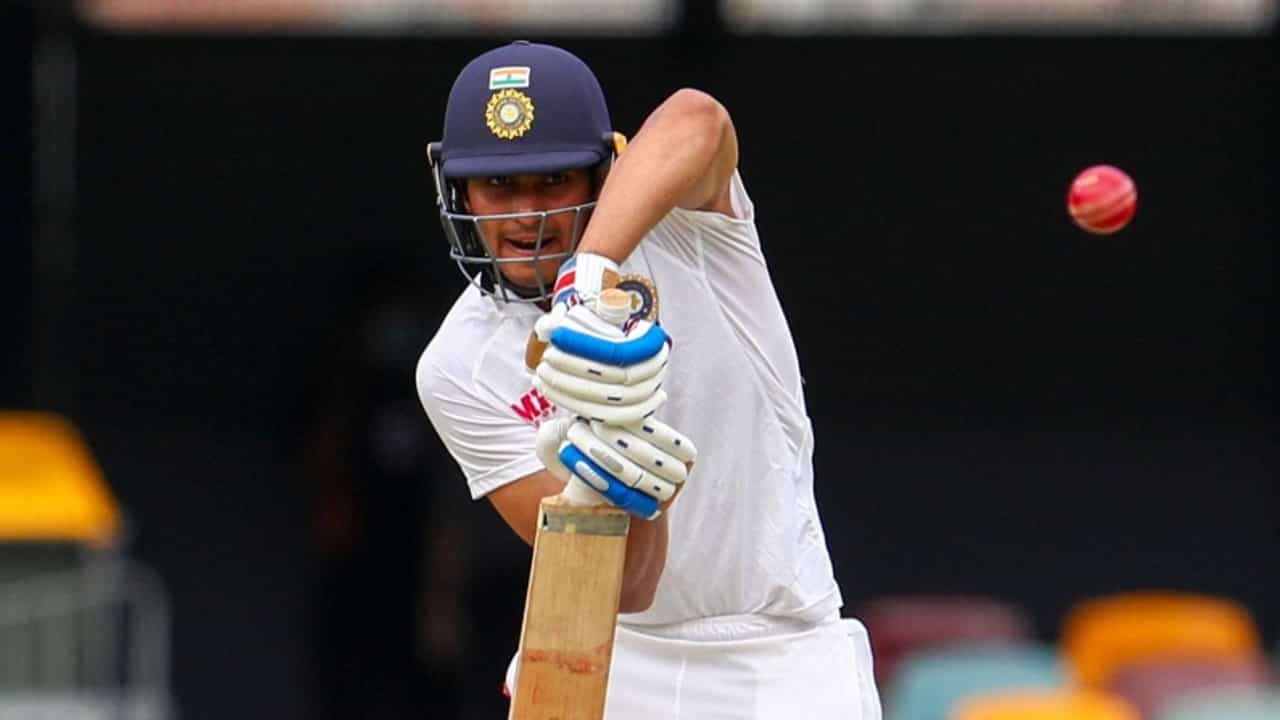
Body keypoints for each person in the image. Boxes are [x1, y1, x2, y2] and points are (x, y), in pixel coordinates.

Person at [415, 40, 882, 718]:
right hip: (620, 653)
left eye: (554, 180)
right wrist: (624, 452)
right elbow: (626, 588)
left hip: (783, 645)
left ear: (604, 173)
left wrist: (587, 277)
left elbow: (699, 117)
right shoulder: (457, 364)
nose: (525, 215)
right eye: (500, 185)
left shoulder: (684, 227)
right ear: (458, 191)